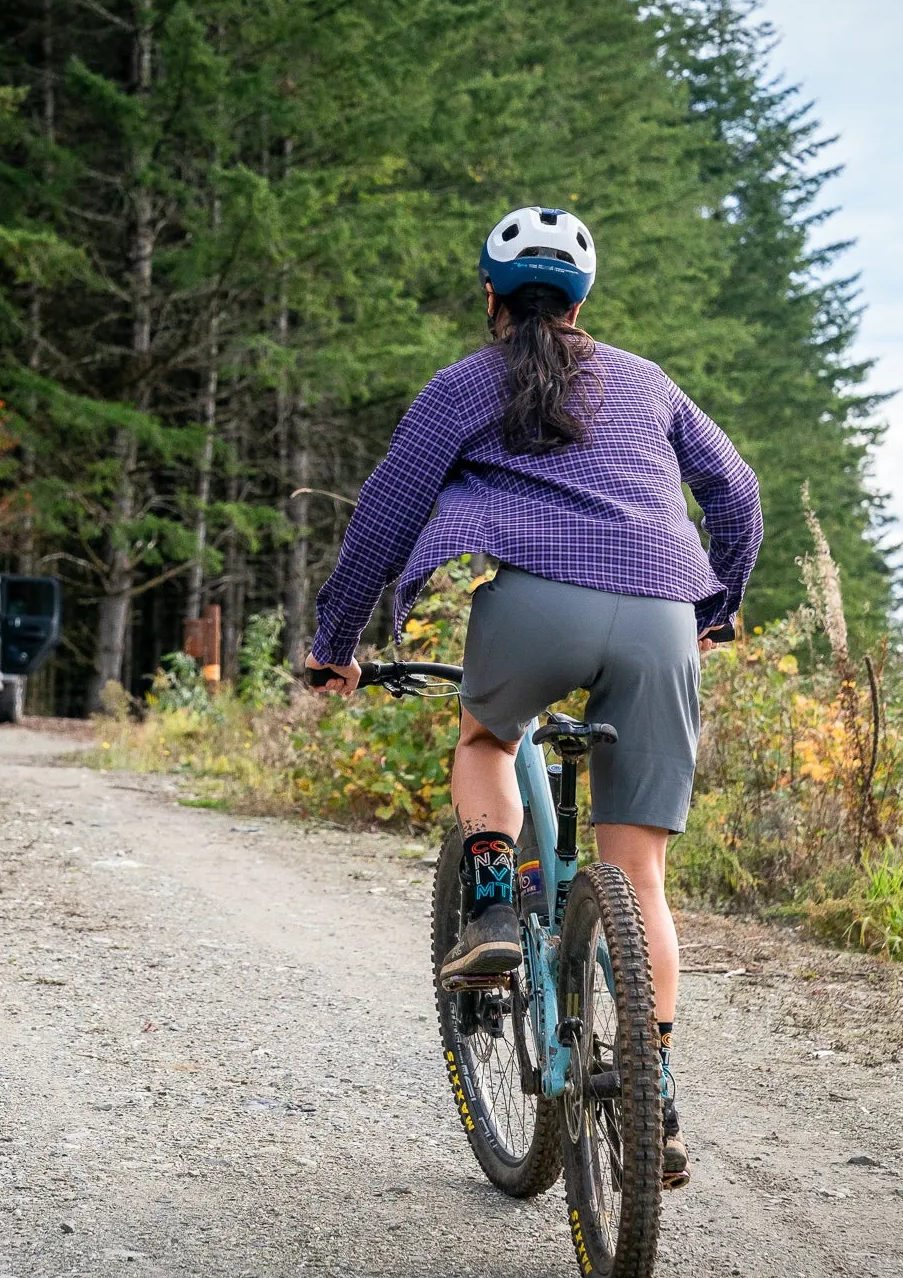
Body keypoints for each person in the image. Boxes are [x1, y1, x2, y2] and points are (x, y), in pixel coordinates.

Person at [305, 204, 762, 1186]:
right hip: (662, 618)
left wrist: (335, 643)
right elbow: (738, 493)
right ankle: (656, 1096)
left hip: (534, 607)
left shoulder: (464, 385)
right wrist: (719, 608)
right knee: (640, 883)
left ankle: (491, 911)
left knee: (488, 741)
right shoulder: (647, 382)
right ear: (584, 299)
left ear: (491, 298)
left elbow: (386, 511)